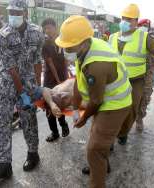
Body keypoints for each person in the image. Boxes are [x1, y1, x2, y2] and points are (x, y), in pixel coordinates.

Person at [56, 15, 133, 188]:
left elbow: (97, 100)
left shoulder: (97, 64)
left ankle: (97, 179)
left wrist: (83, 118)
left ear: (83, 43)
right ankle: (102, 166)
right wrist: (75, 108)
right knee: (97, 138)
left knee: (94, 149)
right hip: (105, 100)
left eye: (69, 47)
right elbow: (78, 80)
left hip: (116, 105)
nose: (66, 51)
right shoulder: (85, 51)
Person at [0, 0, 44, 182]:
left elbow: (37, 60)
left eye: (17, 12)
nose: (13, 15)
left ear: (26, 13)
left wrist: (36, 88)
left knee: (29, 119)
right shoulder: (1, 36)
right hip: (6, 82)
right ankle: (5, 165)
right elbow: (10, 68)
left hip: (27, 82)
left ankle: (33, 153)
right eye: (11, 11)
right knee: (3, 122)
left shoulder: (37, 32)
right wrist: (22, 93)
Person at [108, 4, 154, 141]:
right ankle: (110, 136)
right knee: (112, 109)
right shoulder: (112, 37)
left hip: (135, 81)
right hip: (115, 81)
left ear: (136, 21)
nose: (125, 22)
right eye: (123, 18)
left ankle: (123, 133)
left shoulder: (144, 37)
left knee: (132, 109)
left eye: (129, 19)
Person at [41, 18, 69, 142]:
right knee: (49, 105)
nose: (47, 30)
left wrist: (65, 77)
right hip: (50, 78)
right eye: (45, 28)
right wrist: (58, 81)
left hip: (62, 76)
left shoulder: (62, 41)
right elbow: (50, 63)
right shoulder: (45, 43)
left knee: (60, 102)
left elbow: (66, 59)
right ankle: (54, 132)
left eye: (49, 27)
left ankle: (64, 125)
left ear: (55, 27)